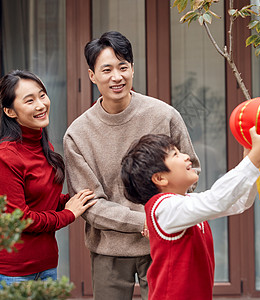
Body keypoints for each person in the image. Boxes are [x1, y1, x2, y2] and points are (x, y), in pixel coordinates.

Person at [63, 31, 200, 300]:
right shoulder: (78, 134)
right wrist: (146, 220)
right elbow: (90, 203)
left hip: (164, 242)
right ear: (92, 75)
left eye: (123, 67)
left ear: (133, 69)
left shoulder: (163, 115)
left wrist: (169, 220)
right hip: (109, 250)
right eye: (107, 69)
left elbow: (191, 170)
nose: (117, 77)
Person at [120, 127, 260, 300]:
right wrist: (253, 160)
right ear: (160, 178)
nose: (186, 156)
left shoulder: (185, 202)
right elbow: (216, 200)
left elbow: (238, 203)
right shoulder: (164, 207)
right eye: (175, 155)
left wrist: (252, 160)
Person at [0, 70, 96, 299]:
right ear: (10, 111)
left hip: (45, 268)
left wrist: (76, 199)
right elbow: (21, 218)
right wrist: (68, 214)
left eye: (42, 95)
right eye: (29, 100)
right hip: (10, 275)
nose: (41, 104)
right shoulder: (5, 155)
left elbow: (44, 202)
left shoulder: (45, 147)